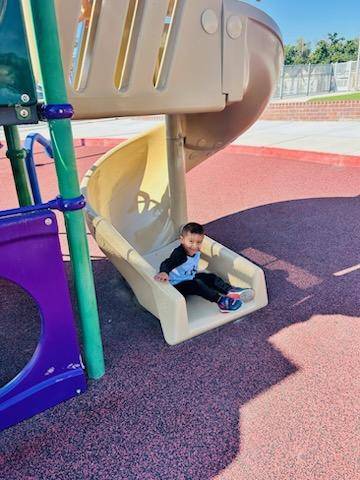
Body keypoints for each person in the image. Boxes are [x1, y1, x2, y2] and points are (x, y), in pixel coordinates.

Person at [154, 222, 255, 312]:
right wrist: (164, 272)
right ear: (182, 240)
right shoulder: (179, 254)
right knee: (197, 284)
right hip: (176, 286)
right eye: (191, 241)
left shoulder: (196, 251)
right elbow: (167, 263)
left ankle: (231, 291)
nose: (194, 245)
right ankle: (221, 301)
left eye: (199, 242)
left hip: (188, 277)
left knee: (209, 277)